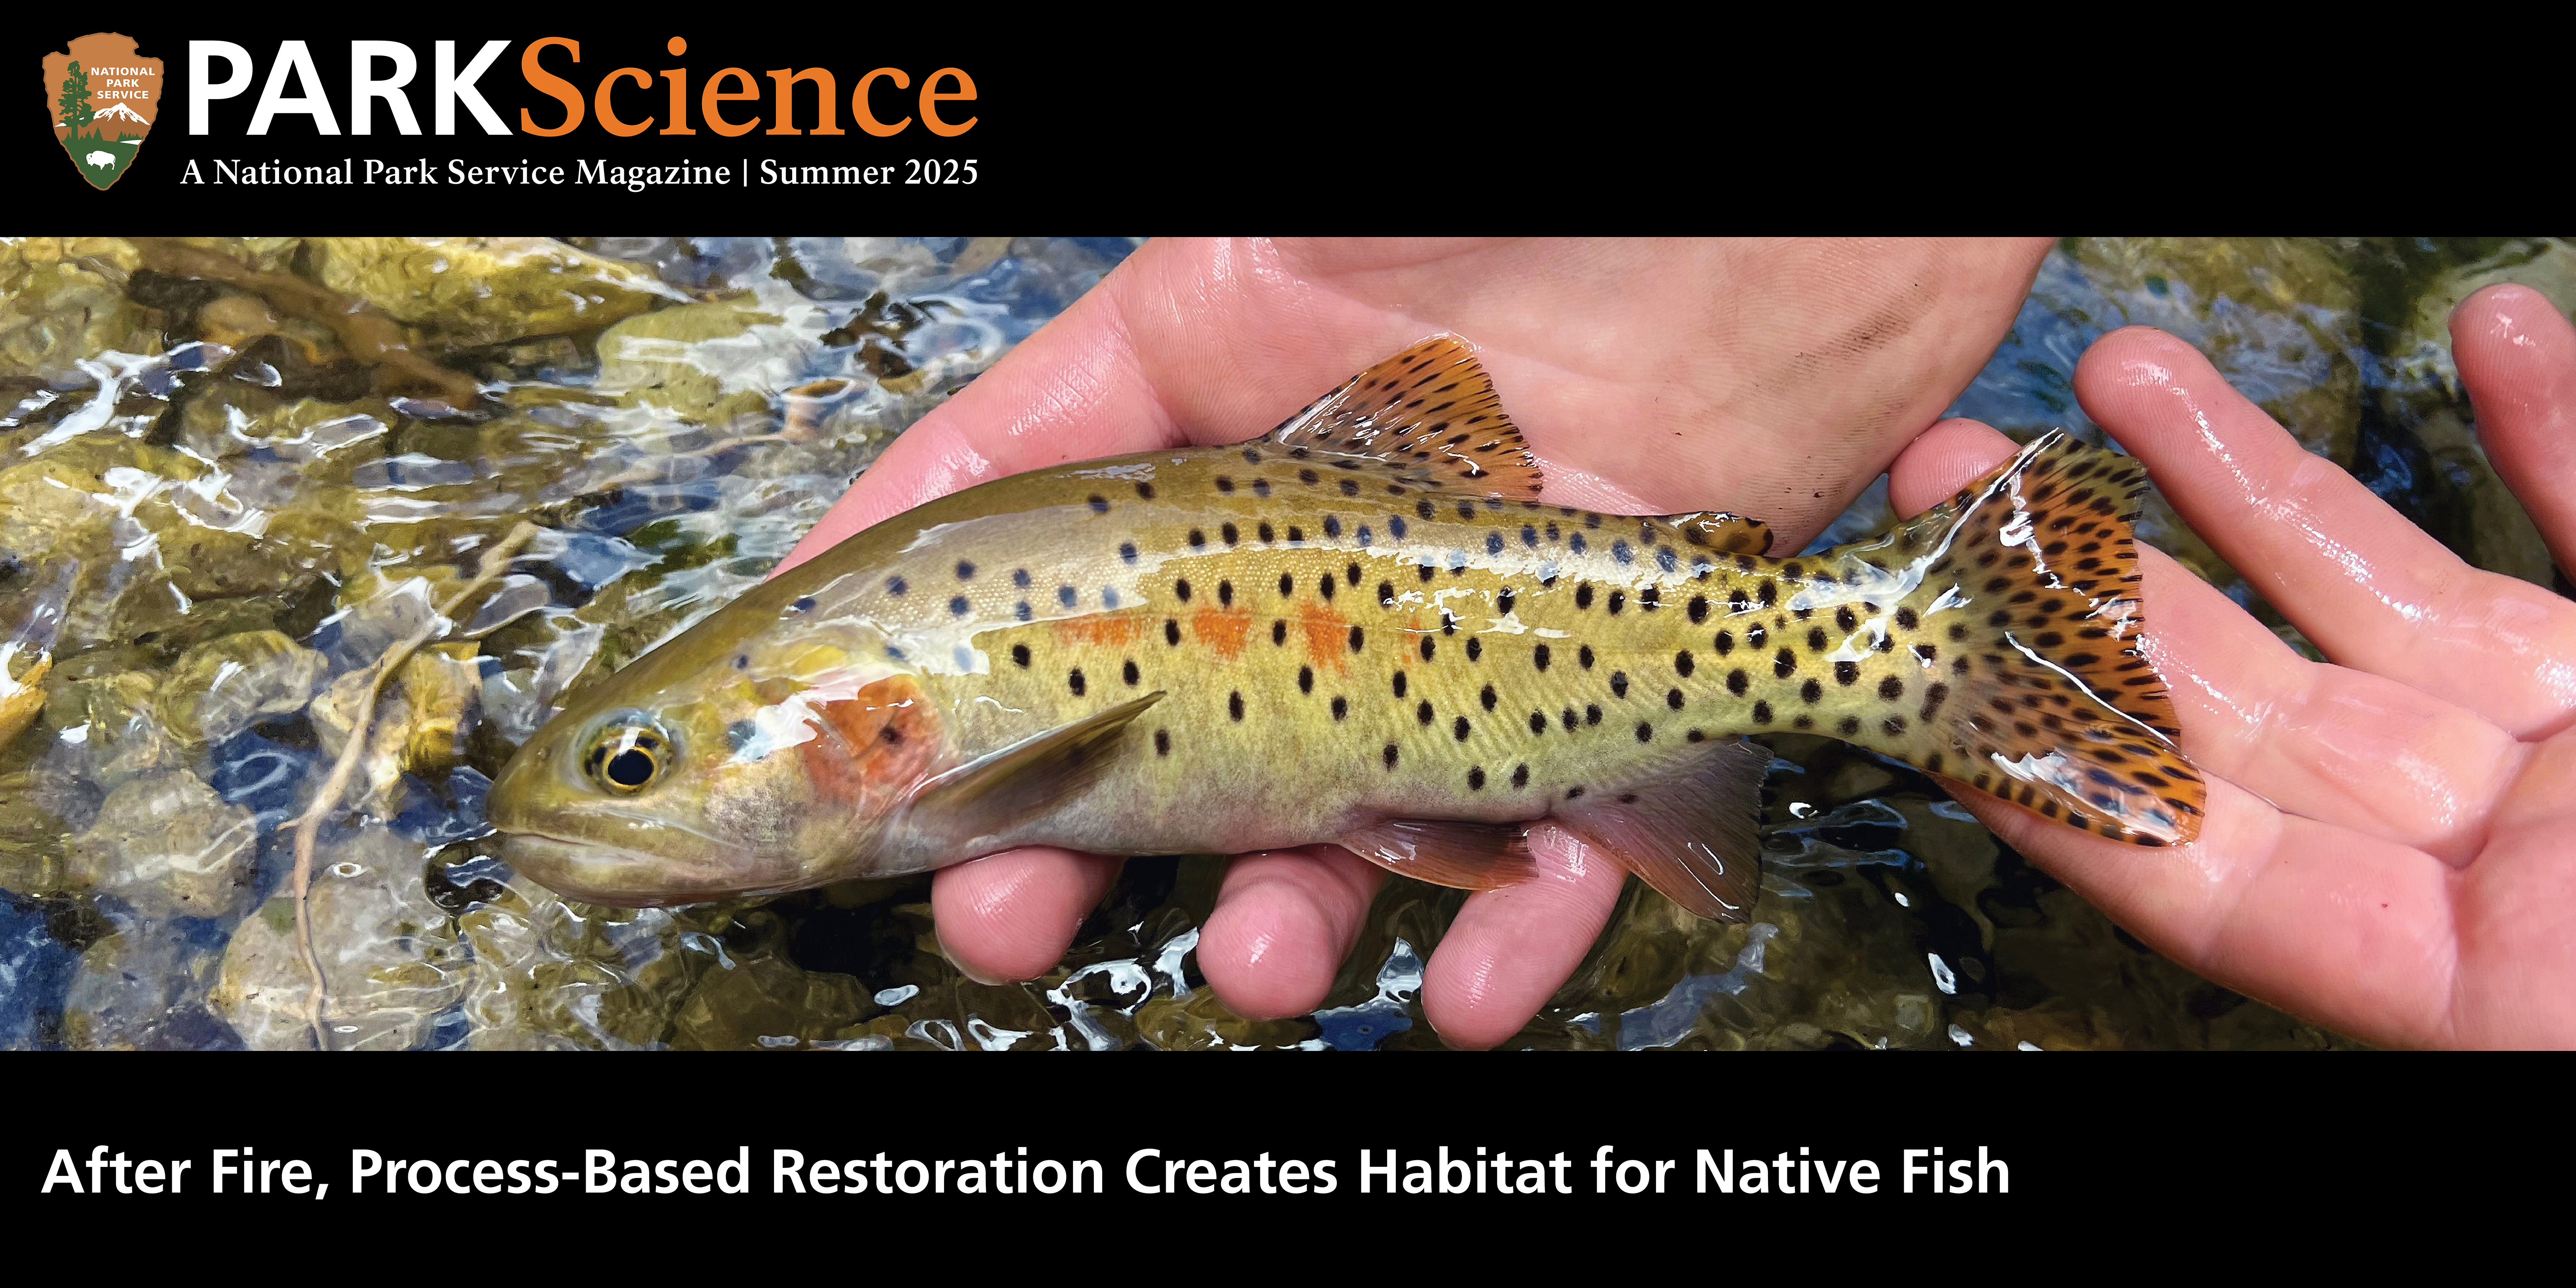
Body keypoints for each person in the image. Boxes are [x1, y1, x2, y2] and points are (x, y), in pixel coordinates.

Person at [776, 238, 2576, 1050]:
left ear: (868, 742)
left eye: (636, 771)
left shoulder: (912, 712)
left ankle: (1925, 645)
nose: (623, 800)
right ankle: (1927, 644)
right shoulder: (906, 656)